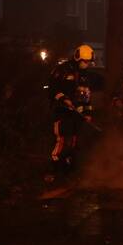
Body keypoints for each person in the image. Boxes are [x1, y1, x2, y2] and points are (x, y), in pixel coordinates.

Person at [47, 44, 103, 179]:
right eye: (85, 61)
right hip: (62, 112)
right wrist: (64, 99)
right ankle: (54, 169)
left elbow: (86, 97)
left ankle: (68, 170)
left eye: (89, 62)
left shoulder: (85, 75)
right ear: (78, 58)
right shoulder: (63, 70)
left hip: (77, 115)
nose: (87, 64)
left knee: (73, 141)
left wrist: (88, 113)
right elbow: (52, 88)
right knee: (61, 140)